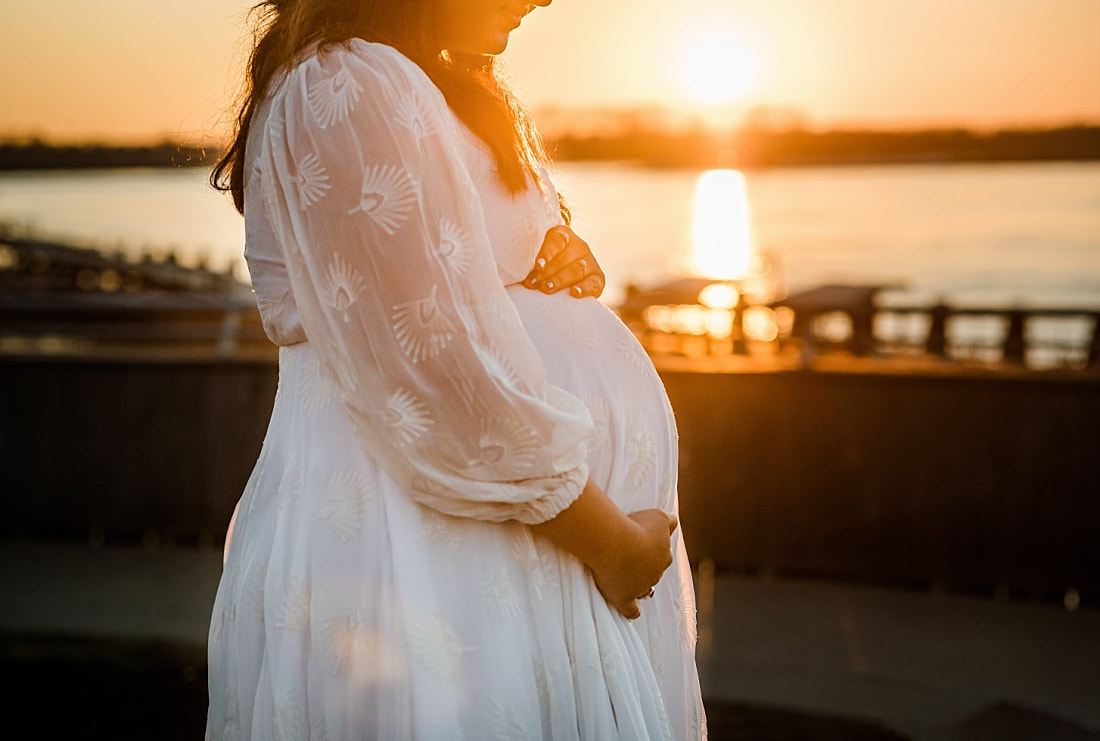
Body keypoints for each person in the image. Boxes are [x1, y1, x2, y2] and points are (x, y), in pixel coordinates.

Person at [206, 0, 705, 738]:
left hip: (516, 541)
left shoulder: (440, 87)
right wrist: (611, 542)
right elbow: (432, 366)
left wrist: (550, 261)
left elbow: (448, 282)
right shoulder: (341, 83)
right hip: (430, 545)